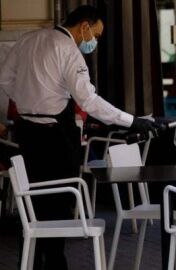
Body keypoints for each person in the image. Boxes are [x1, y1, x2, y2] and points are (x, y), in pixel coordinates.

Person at [0, 6, 158, 269]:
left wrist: (27, 99)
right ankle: (54, 263)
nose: (93, 41)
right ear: (84, 26)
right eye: (94, 34)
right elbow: (89, 101)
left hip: (26, 132)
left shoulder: (28, 39)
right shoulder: (69, 51)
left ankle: (28, 261)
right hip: (55, 137)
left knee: (31, 203)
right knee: (59, 204)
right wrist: (133, 121)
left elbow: (4, 78)